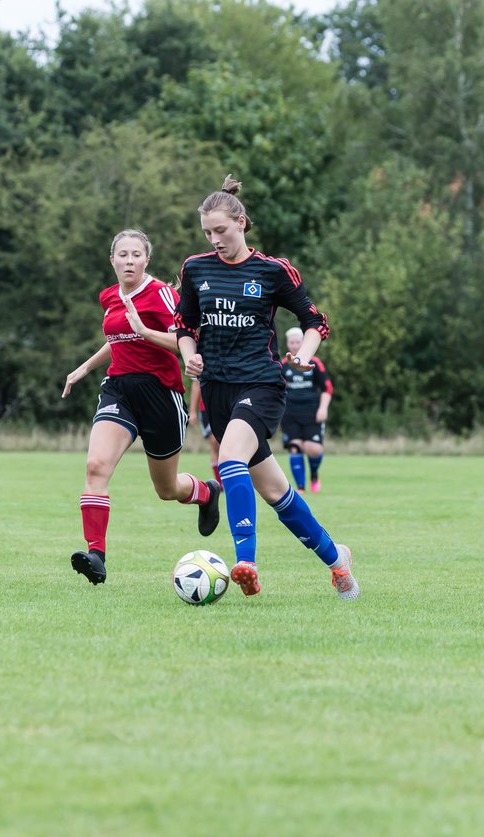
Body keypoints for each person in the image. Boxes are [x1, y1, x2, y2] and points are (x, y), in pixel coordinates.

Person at [174, 175, 358, 600]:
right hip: (218, 388)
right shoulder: (195, 268)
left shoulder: (273, 271)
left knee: (231, 459)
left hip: (261, 383)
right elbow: (183, 324)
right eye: (207, 232)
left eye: (221, 230)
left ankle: (246, 562)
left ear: (241, 222)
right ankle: (337, 560)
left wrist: (306, 354)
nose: (214, 239)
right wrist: (188, 354)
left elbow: (315, 322)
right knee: (275, 491)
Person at [62, 229, 222, 584]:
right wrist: (85, 368)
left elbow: (186, 340)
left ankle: (206, 492)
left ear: (146, 259)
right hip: (119, 390)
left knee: (167, 490)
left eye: (136, 254)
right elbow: (117, 339)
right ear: (113, 260)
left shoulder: (160, 294)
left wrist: (146, 332)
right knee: (95, 466)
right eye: (123, 254)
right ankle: (96, 556)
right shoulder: (110, 296)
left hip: (160, 395)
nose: (129, 260)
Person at [280, 326, 332, 493]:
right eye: (292, 342)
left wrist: (323, 408)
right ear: (288, 344)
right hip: (290, 413)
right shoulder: (282, 365)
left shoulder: (314, 363)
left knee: (313, 449)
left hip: (311, 412)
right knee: (295, 447)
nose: (295, 345)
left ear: (303, 343)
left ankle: (314, 475)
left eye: (298, 342)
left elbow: (327, 388)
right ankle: (301, 488)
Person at [188, 378, 221, 484]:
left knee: (227, 445)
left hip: (227, 405)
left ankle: (228, 479)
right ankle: (220, 482)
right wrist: (193, 411)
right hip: (207, 408)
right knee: (215, 443)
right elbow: (196, 384)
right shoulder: (201, 361)